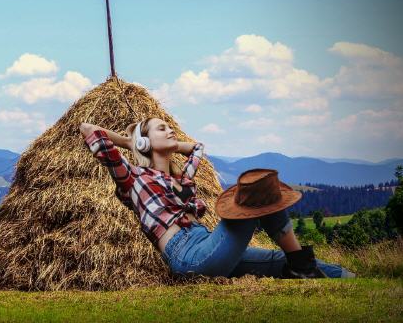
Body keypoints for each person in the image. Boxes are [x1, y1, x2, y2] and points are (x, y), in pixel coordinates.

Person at [79, 118, 354, 279]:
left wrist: (174, 143)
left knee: (275, 259)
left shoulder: (182, 178)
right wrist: (132, 141)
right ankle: (301, 264)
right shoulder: (133, 177)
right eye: (161, 128)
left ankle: (343, 276)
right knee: (257, 193)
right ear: (145, 142)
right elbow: (88, 130)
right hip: (187, 255)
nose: (170, 129)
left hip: (207, 243)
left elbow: (197, 148)